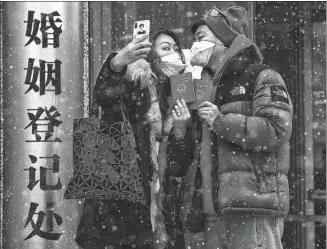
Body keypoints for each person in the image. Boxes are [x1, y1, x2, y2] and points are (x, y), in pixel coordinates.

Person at [175, 6, 293, 249]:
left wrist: (221, 121)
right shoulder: (201, 86)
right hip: (211, 211)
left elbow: (277, 129)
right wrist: (180, 124)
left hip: (252, 207)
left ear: (224, 39)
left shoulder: (262, 76)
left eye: (201, 38)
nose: (195, 45)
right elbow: (180, 155)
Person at [75, 29, 190, 249]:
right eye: (165, 48)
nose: (173, 54)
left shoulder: (177, 98)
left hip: (160, 208)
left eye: (177, 50)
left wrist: (181, 129)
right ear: (150, 55)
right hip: (121, 200)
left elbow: (178, 166)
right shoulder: (134, 81)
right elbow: (104, 99)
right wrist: (116, 63)